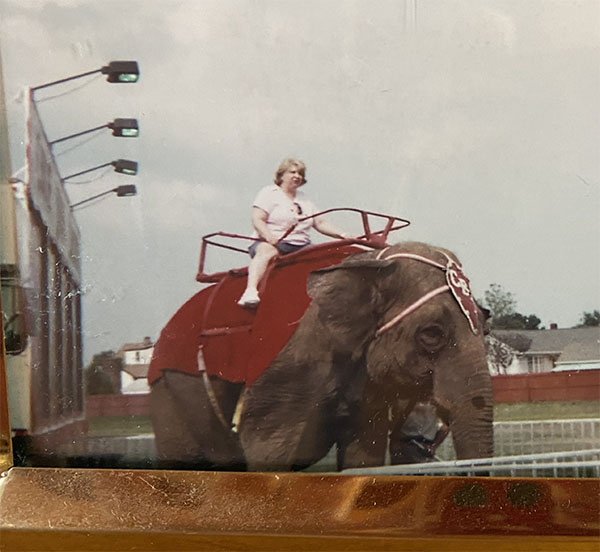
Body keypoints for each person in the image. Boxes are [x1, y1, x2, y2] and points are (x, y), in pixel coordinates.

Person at [237, 158, 350, 308]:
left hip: (300, 245)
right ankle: (250, 291)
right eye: (293, 172)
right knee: (266, 252)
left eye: (300, 173)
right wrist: (269, 236)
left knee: (326, 257)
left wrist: (343, 235)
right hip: (272, 242)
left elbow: (320, 223)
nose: (297, 176)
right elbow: (257, 219)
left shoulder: (304, 199)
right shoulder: (269, 193)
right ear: (281, 175)